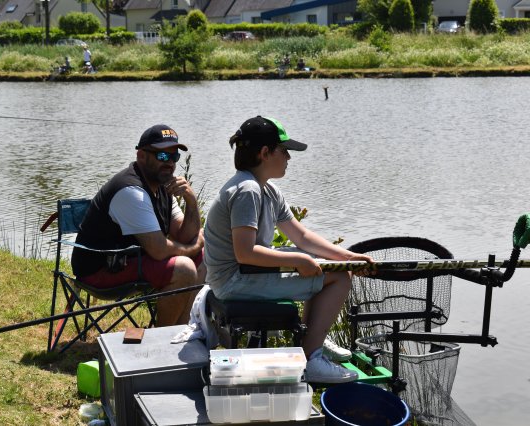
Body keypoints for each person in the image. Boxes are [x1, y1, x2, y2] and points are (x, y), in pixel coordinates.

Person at [203, 116, 374, 383]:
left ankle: (313, 340)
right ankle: (312, 357)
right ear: (264, 153)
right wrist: (298, 261)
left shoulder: (267, 190)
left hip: (246, 274)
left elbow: (301, 236)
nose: (289, 158)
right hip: (233, 282)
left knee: (324, 264)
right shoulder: (247, 190)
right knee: (340, 277)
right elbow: (245, 253)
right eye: (284, 151)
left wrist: (349, 257)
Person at [71, 124, 205, 327]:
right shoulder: (131, 191)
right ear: (141, 156)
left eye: (174, 156)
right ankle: (163, 337)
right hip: (101, 270)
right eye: (162, 156)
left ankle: (183, 332)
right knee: (184, 268)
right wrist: (193, 247)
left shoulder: (163, 188)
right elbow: (159, 250)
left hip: (132, 262)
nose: (169, 163)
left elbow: (184, 236)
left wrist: (191, 200)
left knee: (205, 257)